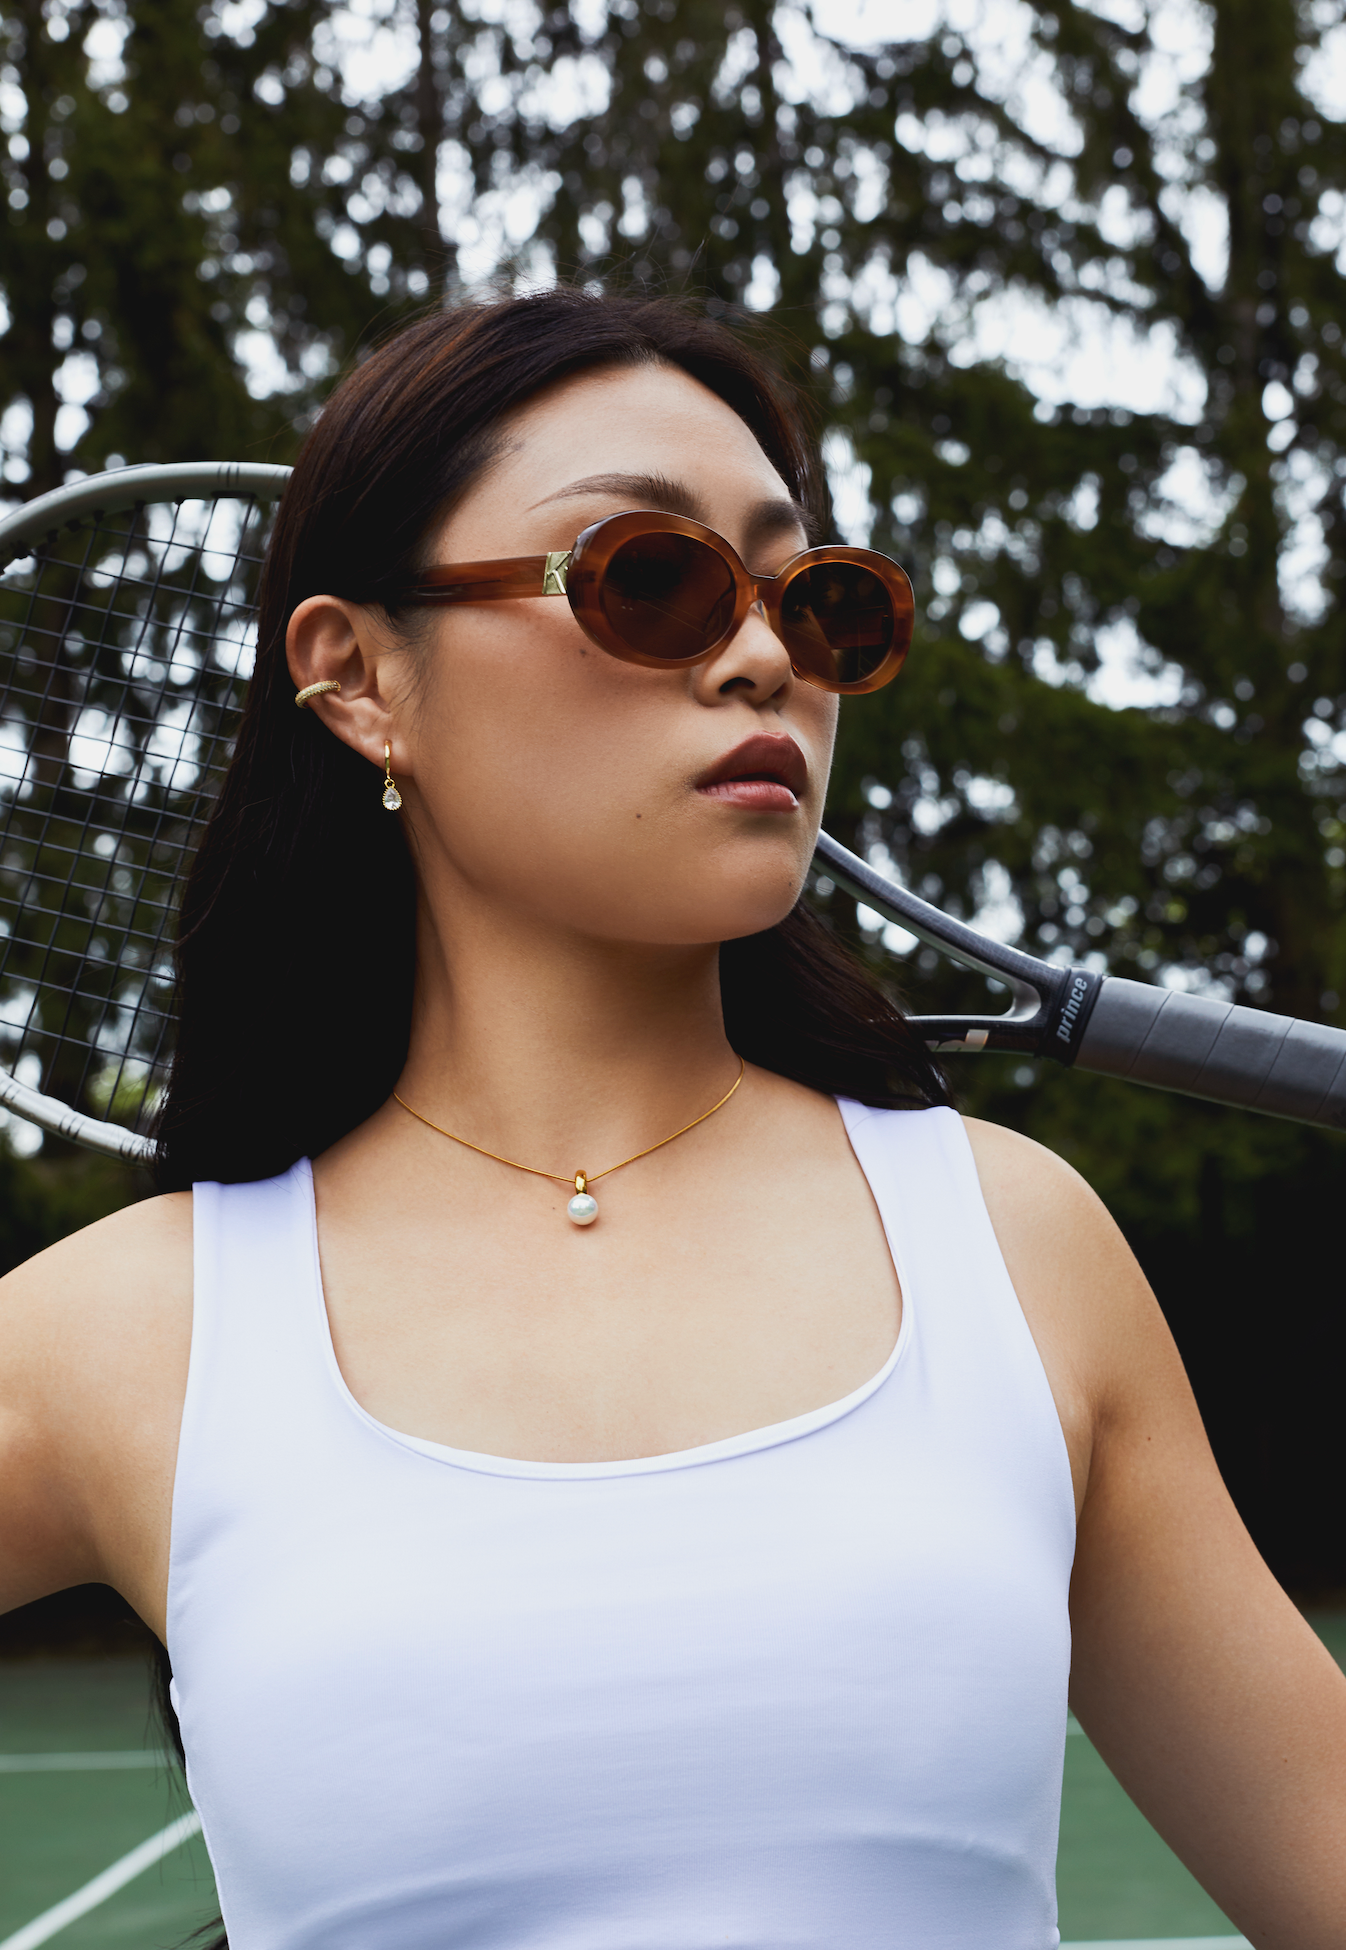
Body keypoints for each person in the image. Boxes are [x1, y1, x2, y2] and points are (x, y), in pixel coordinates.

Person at [1, 288, 1343, 1950]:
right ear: (358, 679)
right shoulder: (125, 1329)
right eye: (650, 577)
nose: (767, 652)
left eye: (818, 597)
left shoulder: (1013, 1242)